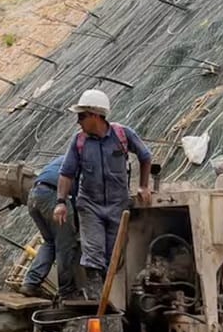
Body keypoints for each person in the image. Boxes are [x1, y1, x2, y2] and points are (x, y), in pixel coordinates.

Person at [55, 89, 152, 296]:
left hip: (118, 205)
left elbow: (145, 156)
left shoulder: (122, 135)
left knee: (114, 255)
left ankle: (105, 297)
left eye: (81, 116)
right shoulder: (79, 141)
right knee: (93, 253)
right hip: (90, 204)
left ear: (95, 115)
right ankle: (95, 295)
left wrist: (144, 186)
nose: (78, 121)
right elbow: (66, 173)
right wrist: (61, 202)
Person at [20, 155, 80, 299]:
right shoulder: (88, 161)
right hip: (53, 196)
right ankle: (67, 291)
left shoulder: (64, 158)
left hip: (34, 195)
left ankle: (31, 283)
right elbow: (82, 197)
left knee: (50, 242)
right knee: (65, 245)